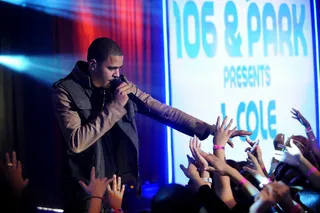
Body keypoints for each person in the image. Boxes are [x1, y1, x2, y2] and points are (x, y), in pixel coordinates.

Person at [52, 37, 250, 212]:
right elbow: (76, 141)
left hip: (121, 186)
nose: (117, 74)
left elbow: (163, 110)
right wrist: (114, 106)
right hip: (87, 190)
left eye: (119, 68)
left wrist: (210, 130)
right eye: (111, 68)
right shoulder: (65, 91)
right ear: (93, 64)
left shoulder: (121, 85)